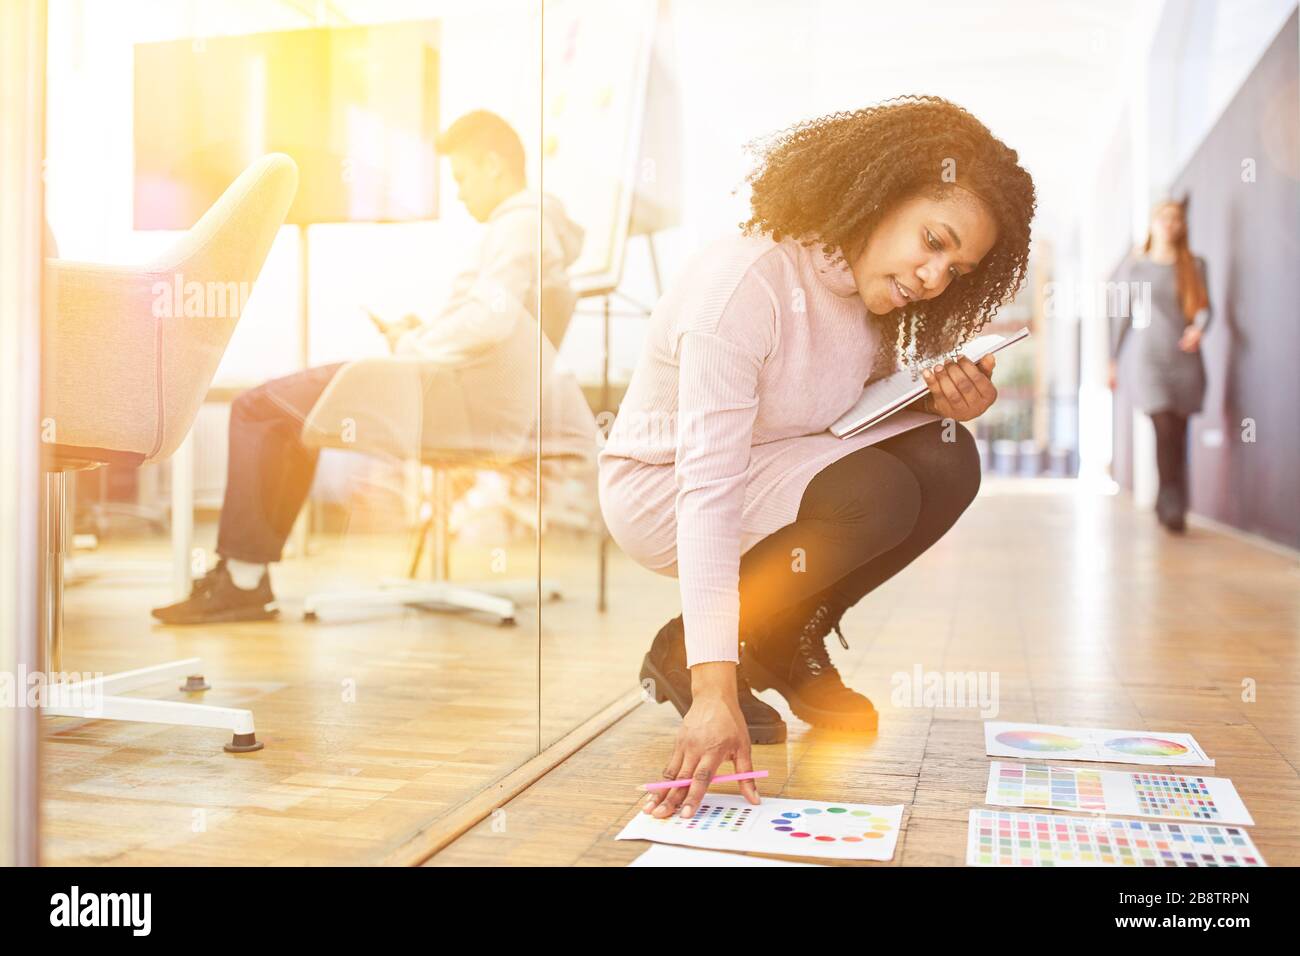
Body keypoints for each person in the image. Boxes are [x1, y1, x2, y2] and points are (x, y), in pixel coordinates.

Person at [597, 95, 1035, 820]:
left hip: (770, 464)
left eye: (955, 269)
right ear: (880, 193)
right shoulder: (744, 286)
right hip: (664, 488)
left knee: (947, 456)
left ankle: (782, 631)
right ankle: (697, 650)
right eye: (932, 240)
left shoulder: (873, 303)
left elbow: (835, 418)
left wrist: (938, 406)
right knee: (878, 491)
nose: (933, 277)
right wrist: (712, 690)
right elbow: (707, 489)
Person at [153, 110, 584, 625]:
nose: (460, 193)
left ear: (494, 166)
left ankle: (244, 582)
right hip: (471, 396)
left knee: (256, 408)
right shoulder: (539, 229)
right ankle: (245, 579)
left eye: (463, 177)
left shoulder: (520, 225)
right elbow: (495, 326)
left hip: (451, 398)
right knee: (289, 421)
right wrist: (420, 333)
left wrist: (413, 343)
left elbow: (487, 324)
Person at [1109, 197, 1211, 532]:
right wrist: (1112, 360)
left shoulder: (1195, 265)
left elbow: (1205, 309)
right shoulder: (1137, 267)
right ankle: (1171, 504)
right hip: (1149, 360)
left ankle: (1171, 499)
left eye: (1176, 218)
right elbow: (1122, 316)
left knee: (1178, 435)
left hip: (1185, 359)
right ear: (1154, 223)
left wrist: (1199, 328)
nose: (1170, 223)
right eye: (1164, 217)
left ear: (1182, 226)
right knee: (1163, 429)